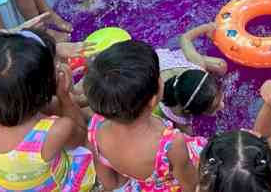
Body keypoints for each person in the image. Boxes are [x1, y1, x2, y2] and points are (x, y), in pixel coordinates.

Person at [0, 30, 96, 191]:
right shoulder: (57, 129)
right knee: (95, 135)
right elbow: (81, 138)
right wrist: (65, 96)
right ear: (45, 88)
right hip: (56, 187)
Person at [84, 39, 206, 192]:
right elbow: (190, 186)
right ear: (154, 99)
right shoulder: (171, 143)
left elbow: (110, 184)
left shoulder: (96, 126)